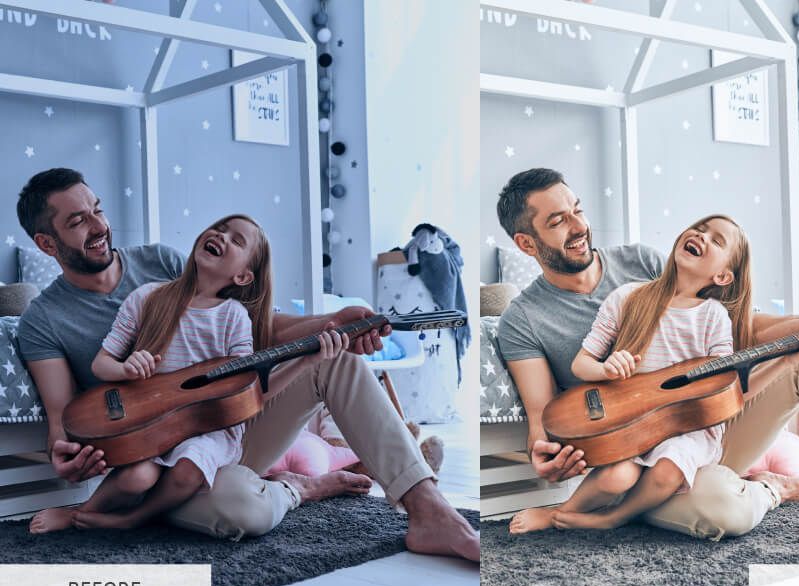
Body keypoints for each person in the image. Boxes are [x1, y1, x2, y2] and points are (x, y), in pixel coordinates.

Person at [497, 167, 799, 560]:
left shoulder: (639, 263)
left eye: (577, 209)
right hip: (635, 462)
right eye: (558, 221)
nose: (578, 226)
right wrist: (546, 455)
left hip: (705, 428)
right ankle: (780, 487)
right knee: (723, 509)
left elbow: (735, 329)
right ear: (526, 243)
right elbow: (541, 418)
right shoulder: (524, 318)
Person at [16, 168, 478, 561]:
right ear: (46, 243)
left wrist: (331, 321)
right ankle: (301, 487)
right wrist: (66, 456)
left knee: (334, 361)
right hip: (154, 460)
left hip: (222, 430)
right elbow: (61, 418)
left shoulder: (158, 262)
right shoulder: (44, 319)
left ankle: (428, 509)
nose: (98, 225)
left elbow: (257, 328)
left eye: (97, 209)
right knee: (241, 510)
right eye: (78, 221)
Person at [29, 215, 371, 534]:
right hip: (153, 426)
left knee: (189, 469)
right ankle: (84, 511)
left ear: (242, 277)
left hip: (211, 432)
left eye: (236, 240)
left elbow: (250, 393)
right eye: (220, 228)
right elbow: (101, 364)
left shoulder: (233, 317)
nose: (221, 235)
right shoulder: (147, 297)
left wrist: (305, 361)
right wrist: (124, 368)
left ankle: (133, 519)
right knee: (136, 477)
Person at [510, 215, 799, 534]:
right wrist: (604, 369)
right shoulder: (627, 297)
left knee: (668, 470)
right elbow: (581, 364)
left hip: (691, 430)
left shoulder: (713, 316)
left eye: (716, 240)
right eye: (700, 227)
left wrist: (786, 361)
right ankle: (563, 510)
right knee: (616, 477)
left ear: (723, 277)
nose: (701, 235)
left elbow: (729, 391)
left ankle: (613, 519)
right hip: (635, 425)